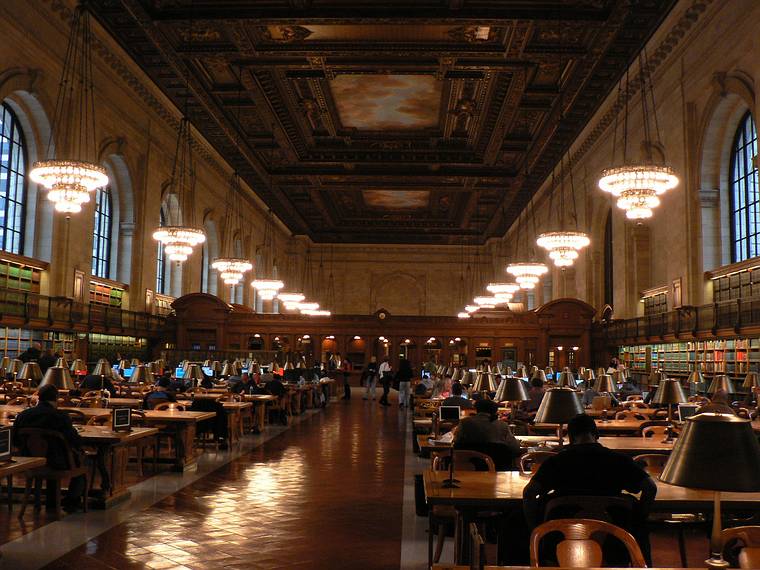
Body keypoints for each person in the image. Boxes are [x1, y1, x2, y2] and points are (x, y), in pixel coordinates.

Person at [516, 414, 656, 566]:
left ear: (570, 436)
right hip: (615, 539)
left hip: (560, 536)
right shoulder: (619, 460)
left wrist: (536, 528)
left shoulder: (557, 462)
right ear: (596, 435)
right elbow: (650, 488)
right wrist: (640, 516)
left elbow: (529, 493)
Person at [13, 384, 86, 512]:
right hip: (57, 462)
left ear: (39, 397)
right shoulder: (60, 416)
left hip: (29, 462)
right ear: (56, 398)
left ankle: (51, 502)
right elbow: (75, 440)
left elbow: (15, 440)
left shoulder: (23, 415)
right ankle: (71, 501)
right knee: (82, 464)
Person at [453, 398, 521, 470]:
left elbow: (456, 442)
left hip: (467, 467)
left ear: (476, 409)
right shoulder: (502, 425)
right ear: (494, 411)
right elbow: (515, 448)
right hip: (498, 469)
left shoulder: (465, 423)